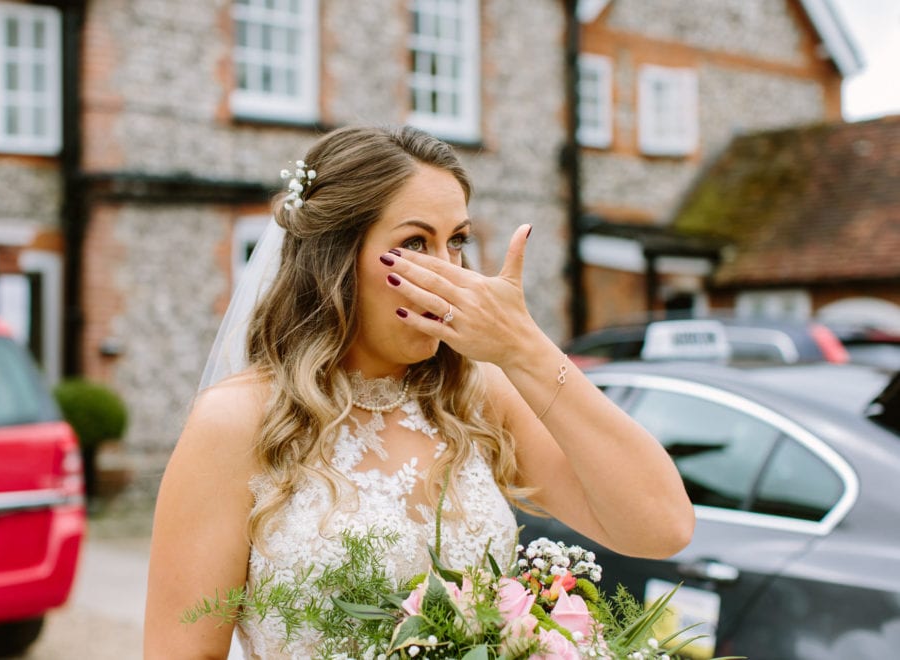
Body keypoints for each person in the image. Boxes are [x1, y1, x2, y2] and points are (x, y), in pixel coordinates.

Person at [143, 125, 694, 659]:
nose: (448, 273)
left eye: (456, 241)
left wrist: (526, 350)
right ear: (337, 259)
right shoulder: (239, 420)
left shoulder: (476, 397)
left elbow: (662, 527)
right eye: (414, 243)